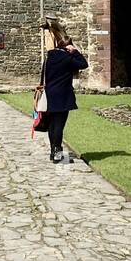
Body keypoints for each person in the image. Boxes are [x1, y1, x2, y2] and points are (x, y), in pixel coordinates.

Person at [37, 18, 88, 164]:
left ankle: (53, 152)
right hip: (63, 96)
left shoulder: (49, 58)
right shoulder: (67, 58)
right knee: (58, 125)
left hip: (49, 95)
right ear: (68, 46)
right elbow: (84, 64)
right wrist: (75, 52)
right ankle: (58, 155)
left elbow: (43, 77)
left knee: (52, 125)